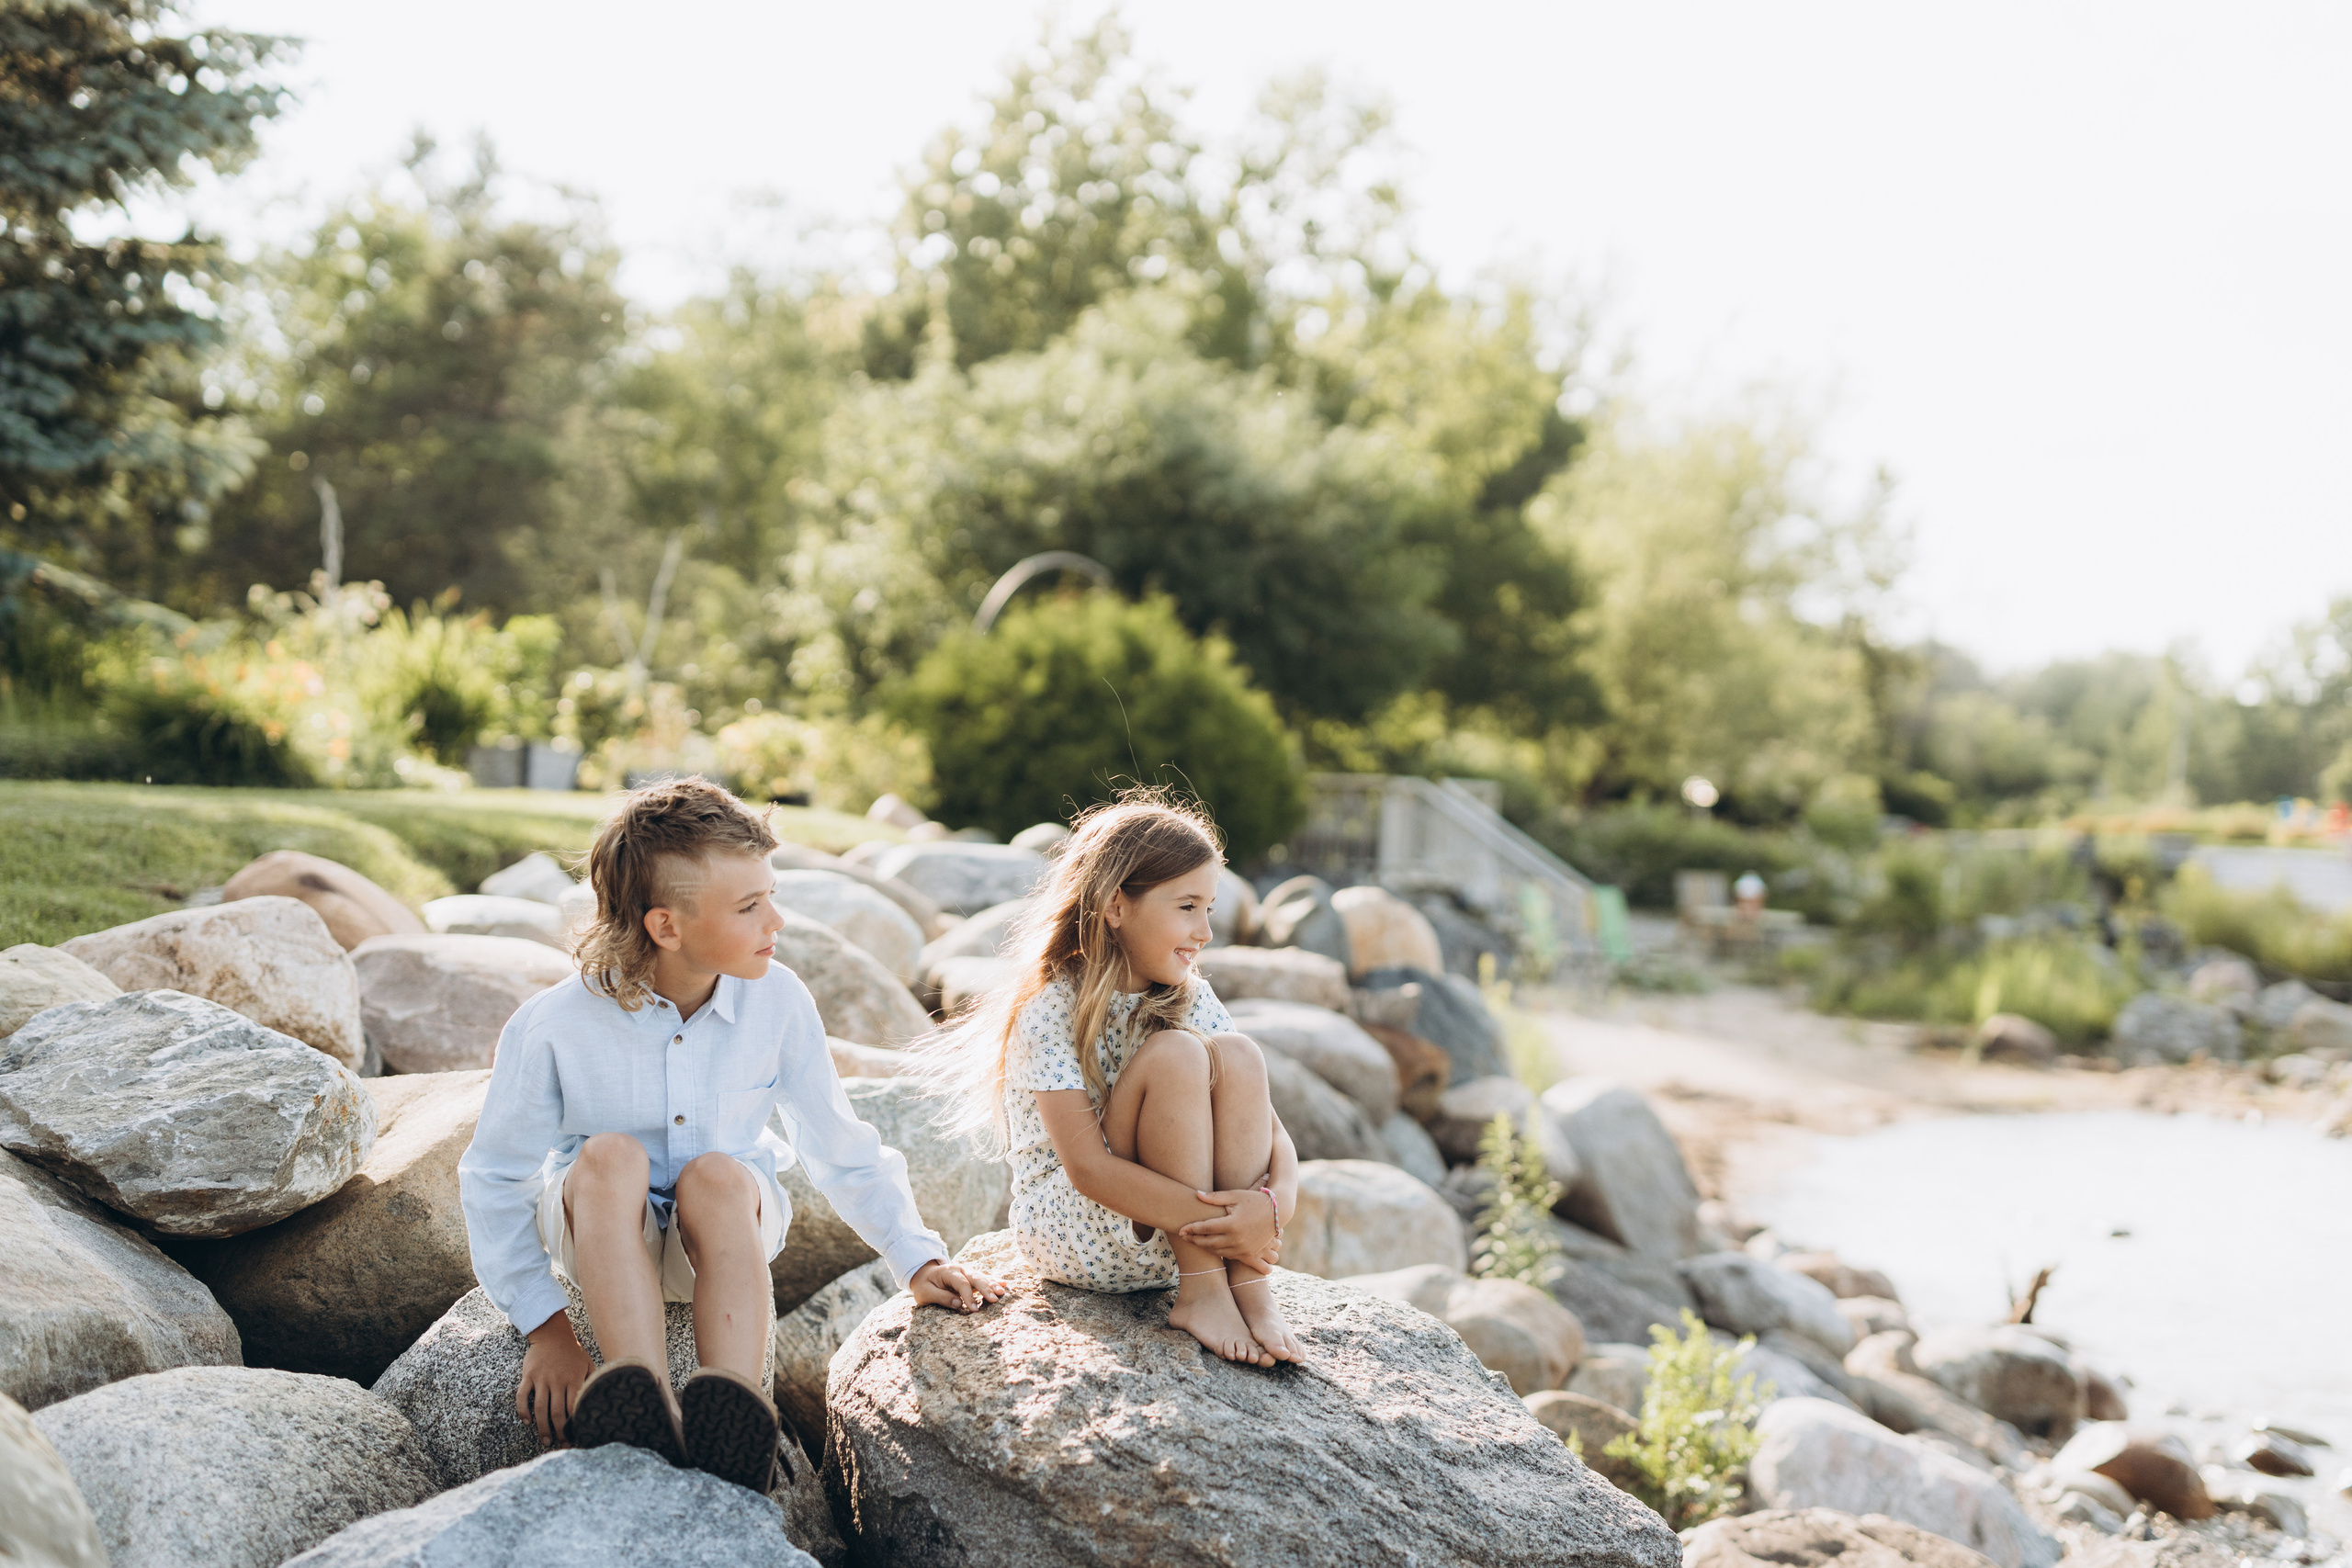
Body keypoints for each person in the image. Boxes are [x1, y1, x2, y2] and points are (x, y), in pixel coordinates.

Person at [458, 778, 1003, 1493]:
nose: (777, 919)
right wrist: (547, 1328)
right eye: (750, 906)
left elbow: (839, 1143)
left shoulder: (778, 1001)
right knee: (609, 1154)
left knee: (717, 1173)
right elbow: (494, 1176)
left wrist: (915, 1255)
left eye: (770, 894)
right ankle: (643, 1397)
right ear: (667, 926)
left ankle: (735, 1409)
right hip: (599, 1230)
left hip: (721, 1229)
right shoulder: (555, 1024)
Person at [921, 794, 1302, 1367]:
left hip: (1178, 1229)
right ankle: (1203, 1292)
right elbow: (1088, 1170)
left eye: (1209, 909)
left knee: (1239, 1055)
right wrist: (1227, 1223)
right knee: (1175, 1054)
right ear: (1116, 905)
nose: (1204, 931)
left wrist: (1273, 1209)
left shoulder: (1189, 994)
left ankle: (1249, 1286)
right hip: (1079, 1227)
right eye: (1187, 906)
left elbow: (1271, 1132)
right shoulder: (1049, 1009)